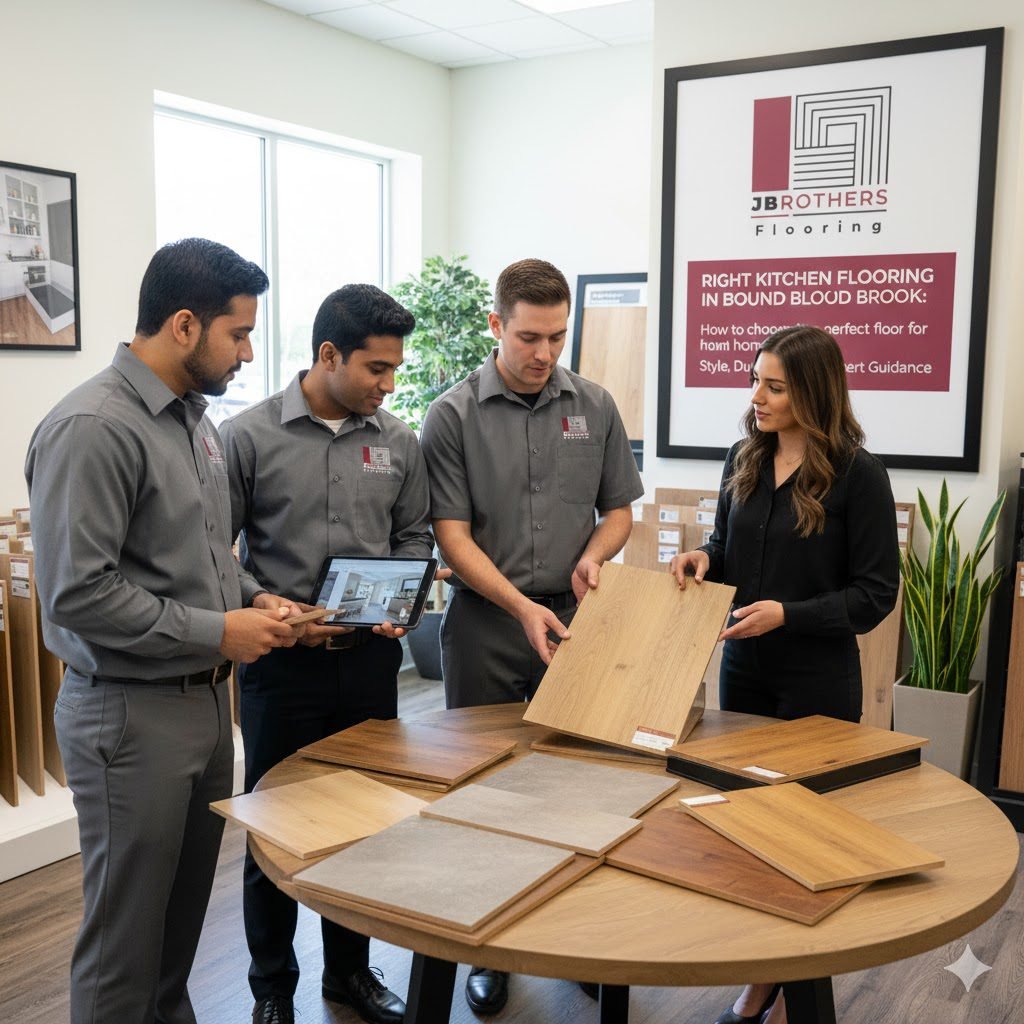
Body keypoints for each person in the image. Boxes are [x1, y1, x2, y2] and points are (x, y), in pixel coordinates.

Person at [25, 238, 306, 1024]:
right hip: (128, 714)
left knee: (175, 938)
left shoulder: (196, 424)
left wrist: (258, 600)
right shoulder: (91, 427)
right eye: (239, 334)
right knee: (124, 949)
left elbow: (207, 553)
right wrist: (219, 630)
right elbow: (78, 597)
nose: (249, 353)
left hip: (203, 709)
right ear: (185, 325)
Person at [420, 257, 644, 1014]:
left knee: (577, 787)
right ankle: (487, 949)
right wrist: (519, 605)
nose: (543, 353)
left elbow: (619, 512)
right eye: (527, 337)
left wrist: (593, 555)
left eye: (556, 336)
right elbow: (451, 537)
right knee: (486, 790)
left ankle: (571, 934)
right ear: (495, 324)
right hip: (487, 622)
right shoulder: (450, 414)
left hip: (578, 622)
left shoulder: (597, 406)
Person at [669, 324, 899, 1024]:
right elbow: (725, 546)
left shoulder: (860, 474)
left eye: (774, 386)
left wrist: (788, 615)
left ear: (813, 392)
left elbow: (875, 595)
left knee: (806, 841)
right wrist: (704, 560)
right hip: (744, 672)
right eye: (754, 380)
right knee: (743, 834)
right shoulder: (743, 456)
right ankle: (764, 974)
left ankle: (799, 985)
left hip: (817, 683)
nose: (755, 396)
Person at [221, 284, 434, 1024]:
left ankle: (350, 975)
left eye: (394, 369)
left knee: (364, 825)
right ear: (328, 355)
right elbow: (214, 553)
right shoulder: (245, 437)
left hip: (369, 664)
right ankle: (271, 989)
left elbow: (414, 539)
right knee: (273, 831)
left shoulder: (399, 440)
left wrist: (401, 600)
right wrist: (261, 602)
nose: (388, 384)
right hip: (281, 665)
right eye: (376, 368)